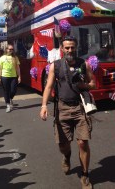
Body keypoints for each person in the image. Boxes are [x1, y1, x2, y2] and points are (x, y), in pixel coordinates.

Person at [40, 36, 96, 189]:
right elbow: (48, 87)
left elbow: (93, 84)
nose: (70, 50)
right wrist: (44, 105)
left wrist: (83, 84)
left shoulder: (84, 64)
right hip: (62, 109)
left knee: (83, 142)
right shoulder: (55, 66)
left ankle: (85, 175)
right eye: (67, 47)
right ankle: (66, 156)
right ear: (62, 49)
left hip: (79, 108)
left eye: (72, 47)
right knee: (63, 145)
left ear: (76, 47)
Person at [0, 45, 21, 113]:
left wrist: (19, 76)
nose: (11, 50)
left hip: (13, 76)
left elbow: (18, 68)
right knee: (6, 91)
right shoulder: (2, 58)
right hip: (4, 76)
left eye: (12, 49)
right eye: (10, 49)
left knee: (13, 90)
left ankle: (10, 98)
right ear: (6, 49)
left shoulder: (15, 57)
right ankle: (8, 105)